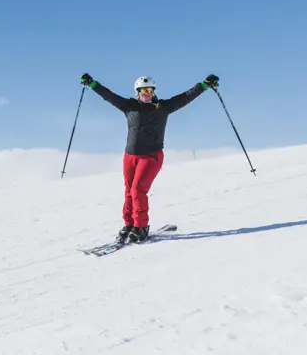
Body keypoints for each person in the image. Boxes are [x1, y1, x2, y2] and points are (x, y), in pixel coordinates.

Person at [79, 72, 219, 243]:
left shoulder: (162, 107)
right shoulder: (129, 106)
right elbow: (109, 96)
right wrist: (92, 84)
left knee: (138, 190)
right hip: (130, 156)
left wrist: (204, 85)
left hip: (151, 156)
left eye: (149, 90)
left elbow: (185, 97)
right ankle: (129, 224)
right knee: (129, 190)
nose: (146, 94)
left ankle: (141, 227)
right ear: (137, 92)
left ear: (154, 91)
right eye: (143, 91)